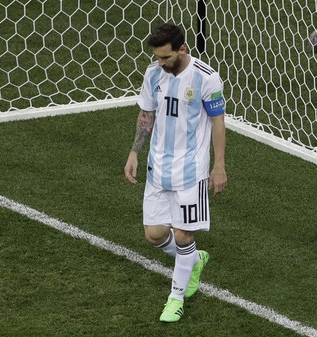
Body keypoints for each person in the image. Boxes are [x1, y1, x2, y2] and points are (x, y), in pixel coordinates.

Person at [124, 22, 227, 323]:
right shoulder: (153, 73)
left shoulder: (206, 78)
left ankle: (175, 298)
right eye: (157, 57)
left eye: (166, 58)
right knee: (154, 235)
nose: (161, 63)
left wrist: (218, 166)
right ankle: (195, 260)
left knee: (183, 234)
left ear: (182, 49)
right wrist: (134, 151)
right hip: (158, 168)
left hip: (191, 171)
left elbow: (218, 122)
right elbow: (147, 114)